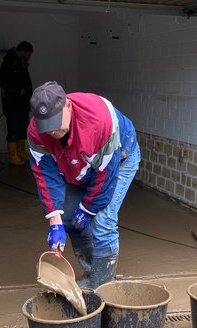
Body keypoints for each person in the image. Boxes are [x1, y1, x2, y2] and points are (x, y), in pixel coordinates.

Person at [26, 81, 141, 290]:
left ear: (68, 106)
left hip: (119, 158)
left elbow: (105, 175)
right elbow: (45, 175)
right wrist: (54, 221)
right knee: (70, 219)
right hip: (78, 165)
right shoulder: (36, 132)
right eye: (46, 126)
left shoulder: (99, 120)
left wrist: (88, 208)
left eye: (55, 122)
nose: (52, 131)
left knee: (102, 223)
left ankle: (103, 286)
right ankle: (92, 273)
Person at [0, 41, 34, 166]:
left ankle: (20, 152)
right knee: (13, 127)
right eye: (28, 54)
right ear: (22, 51)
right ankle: (13, 156)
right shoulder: (10, 62)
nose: (29, 57)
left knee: (22, 126)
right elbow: (1, 80)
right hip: (13, 103)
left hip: (23, 103)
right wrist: (16, 91)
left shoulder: (21, 63)